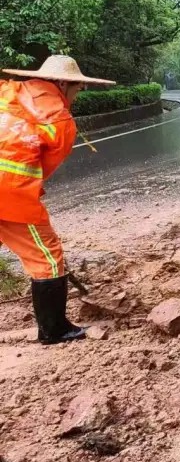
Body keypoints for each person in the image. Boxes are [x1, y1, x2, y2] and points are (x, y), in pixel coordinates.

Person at [0, 55, 116, 344]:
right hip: (11, 196)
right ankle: (54, 330)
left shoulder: (6, 90)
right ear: (63, 84)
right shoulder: (60, 120)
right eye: (78, 88)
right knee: (47, 257)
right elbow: (43, 170)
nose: (78, 95)